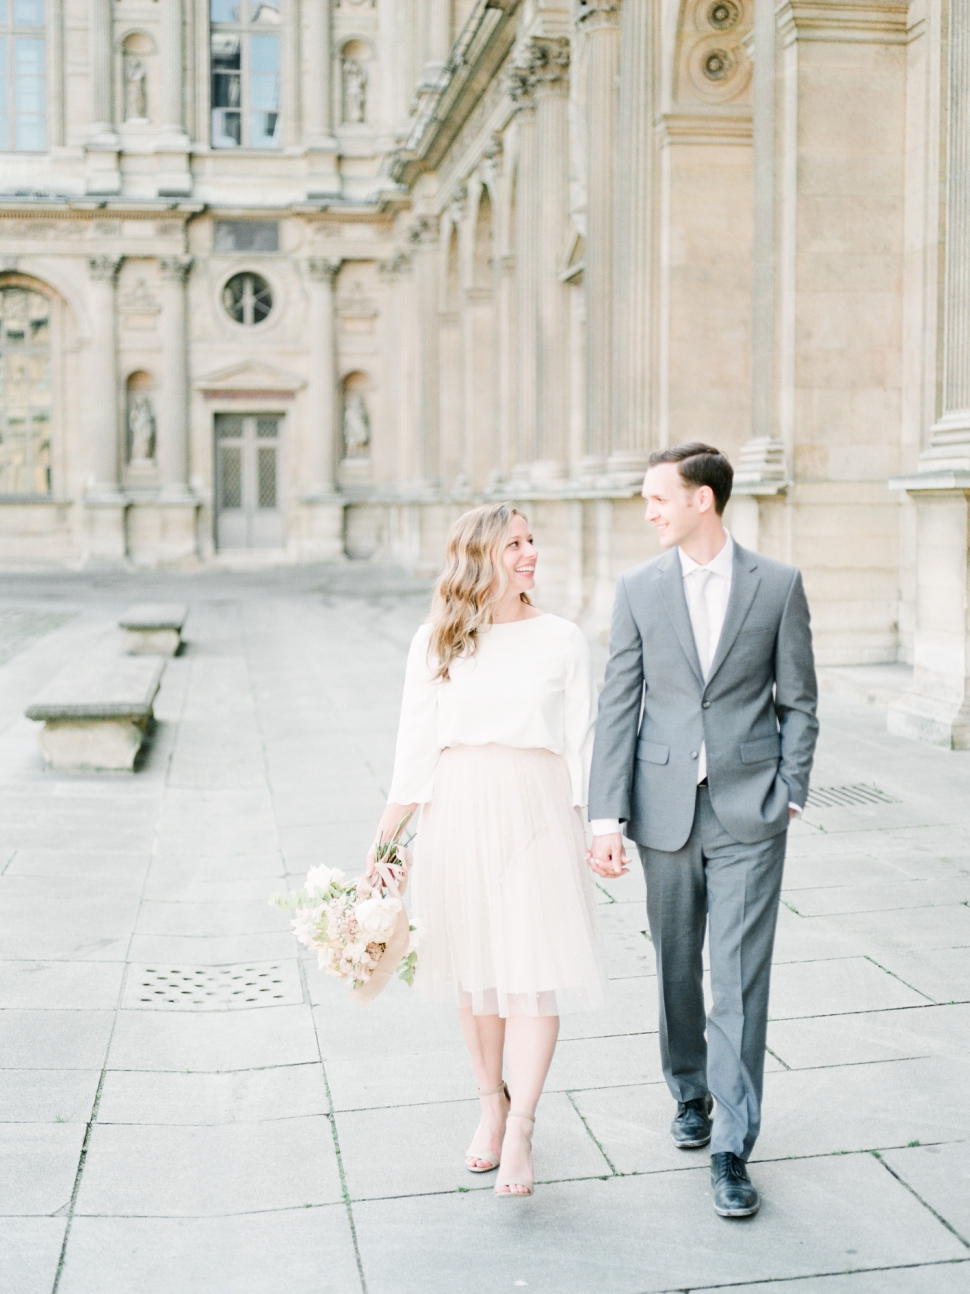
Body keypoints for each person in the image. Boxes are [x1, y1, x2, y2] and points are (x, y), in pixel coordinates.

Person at [587, 443, 818, 1219]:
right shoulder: (639, 588)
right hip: (662, 811)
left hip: (751, 810)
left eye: (659, 497)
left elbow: (800, 700)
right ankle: (689, 1092)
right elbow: (618, 703)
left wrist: (791, 791)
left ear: (703, 502)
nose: (649, 511)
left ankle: (732, 1148)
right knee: (677, 967)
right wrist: (604, 816)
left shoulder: (778, 585)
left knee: (741, 980)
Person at [372, 502, 607, 1198]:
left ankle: (525, 1126)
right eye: (514, 543)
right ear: (480, 556)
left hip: (537, 806)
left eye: (532, 540)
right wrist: (383, 844)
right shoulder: (437, 642)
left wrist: (601, 830)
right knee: (476, 978)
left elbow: (584, 742)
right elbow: (414, 747)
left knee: (533, 972)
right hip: (460, 807)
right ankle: (490, 1106)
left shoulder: (564, 639)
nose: (530, 552)